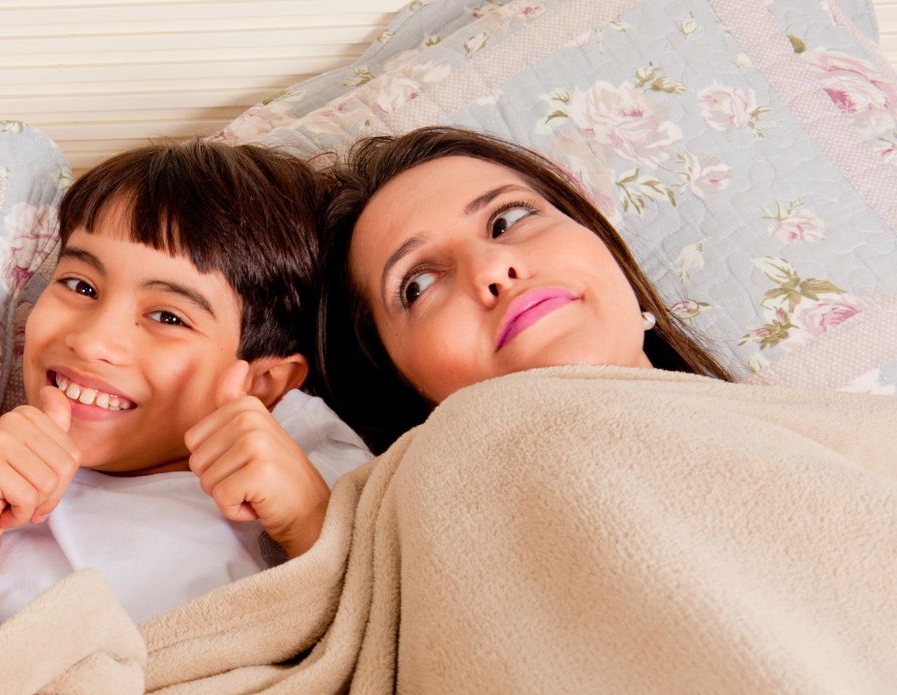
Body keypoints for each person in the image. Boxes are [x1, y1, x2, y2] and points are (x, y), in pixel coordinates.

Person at [0, 140, 371, 626]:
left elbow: (386, 635)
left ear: (263, 383)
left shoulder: (311, 461)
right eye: (81, 286)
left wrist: (309, 523)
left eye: (168, 316)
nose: (92, 341)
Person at [311, 126, 734, 453]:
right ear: (401, 387)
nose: (492, 267)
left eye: (507, 220)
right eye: (417, 284)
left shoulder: (794, 421)